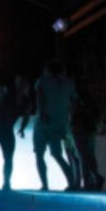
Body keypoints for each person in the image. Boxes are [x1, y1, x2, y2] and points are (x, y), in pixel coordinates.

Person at [33, 60, 76, 190]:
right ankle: (72, 182)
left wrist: (41, 113)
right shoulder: (68, 83)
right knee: (57, 155)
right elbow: (73, 102)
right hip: (60, 123)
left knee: (39, 154)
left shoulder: (42, 81)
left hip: (43, 122)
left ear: (48, 70)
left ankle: (45, 185)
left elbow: (39, 98)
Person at [70, 78, 104, 190]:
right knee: (89, 156)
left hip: (79, 129)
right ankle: (91, 181)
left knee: (82, 157)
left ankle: (93, 179)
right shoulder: (91, 99)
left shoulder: (75, 98)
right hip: (90, 129)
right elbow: (97, 114)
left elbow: (73, 113)